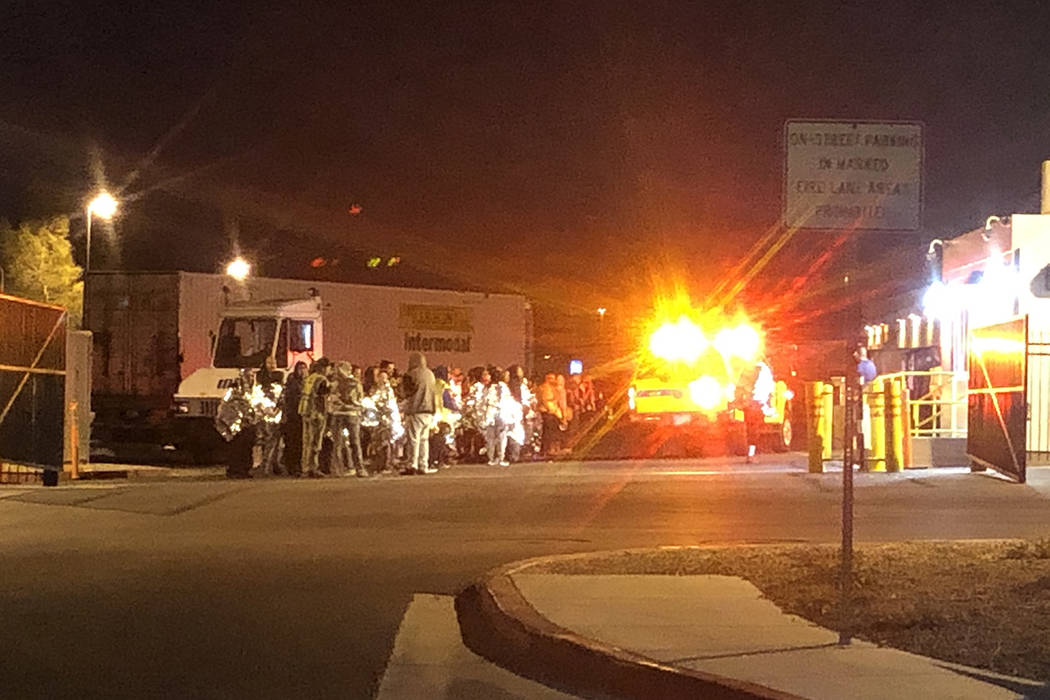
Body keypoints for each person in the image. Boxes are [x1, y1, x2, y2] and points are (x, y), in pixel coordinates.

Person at [401, 351, 437, 475]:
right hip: (429, 410)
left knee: (413, 439)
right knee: (424, 440)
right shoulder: (430, 374)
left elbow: (406, 392)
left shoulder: (411, 374)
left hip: (415, 409)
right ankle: (423, 465)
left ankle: (412, 465)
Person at [329, 361, 368, 477]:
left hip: (338, 413)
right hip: (352, 414)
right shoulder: (355, 383)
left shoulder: (335, 383)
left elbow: (331, 398)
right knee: (354, 442)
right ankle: (359, 468)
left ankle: (336, 469)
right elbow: (360, 398)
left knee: (337, 443)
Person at [298, 357, 331, 478]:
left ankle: (305, 468)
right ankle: (313, 467)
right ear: (324, 368)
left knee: (306, 441)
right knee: (315, 442)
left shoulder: (310, 378)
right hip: (316, 413)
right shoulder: (322, 380)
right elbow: (322, 398)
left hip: (305, 412)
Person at [253, 356, 285, 476]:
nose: (272, 364)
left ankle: (274, 464)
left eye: (274, 362)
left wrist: (278, 409)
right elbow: (257, 395)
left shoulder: (280, 376)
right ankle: (264, 465)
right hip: (265, 414)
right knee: (266, 440)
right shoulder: (260, 378)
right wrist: (265, 410)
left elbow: (282, 394)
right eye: (269, 362)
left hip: (276, 413)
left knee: (276, 441)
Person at [282, 361, 308, 476]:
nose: (303, 371)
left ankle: (299, 465)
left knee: (301, 442)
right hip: (293, 416)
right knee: (293, 442)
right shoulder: (292, 383)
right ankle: (292, 467)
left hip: (303, 416)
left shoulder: (307, 383)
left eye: (304, 368)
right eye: (300, 368)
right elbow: (291, 399)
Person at [536, 373, 563, 457]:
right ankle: (546, 450)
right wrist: (551, 409)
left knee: (550, 432)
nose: (553, 380)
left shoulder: (552, 388)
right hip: (547, 412)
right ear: (547, 379)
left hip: (551, 411)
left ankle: (547, 449)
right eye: (551, 378)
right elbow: (545, 400)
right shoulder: (545, 388)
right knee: (547, 432)